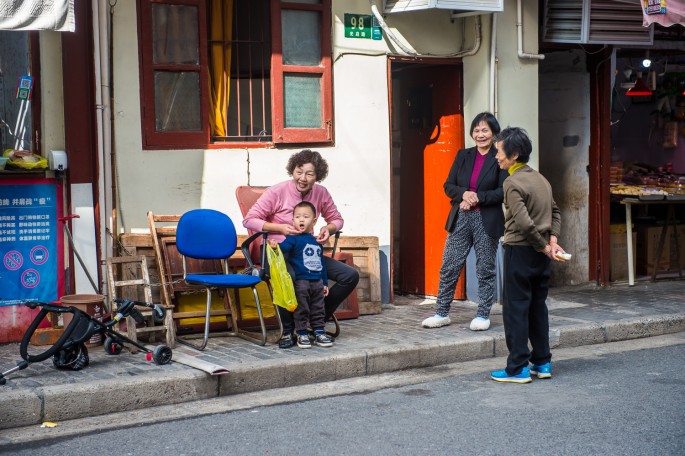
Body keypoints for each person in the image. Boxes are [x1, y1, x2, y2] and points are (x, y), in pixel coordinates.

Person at [243, 149, 359, 349]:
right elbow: (249, 219)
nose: (303, 178)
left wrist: (328, 228)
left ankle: (315, 320)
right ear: (292, 170)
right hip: (277, 250)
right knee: (288, 277)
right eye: (299, 172)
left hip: (307, 252)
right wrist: (279, 228)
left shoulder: (321, 193)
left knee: (350, 275)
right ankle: (289, 331)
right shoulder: (277, 191)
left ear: (318, 175)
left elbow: (337, 219)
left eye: (309, 174)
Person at [490, 127, 567, 384]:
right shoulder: (541, 179)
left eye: (499, 152)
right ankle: (542, 362)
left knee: (515, 309)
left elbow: (523, 224)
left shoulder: (512, 182)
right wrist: (551, 241)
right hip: (540, 255)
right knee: (537, 307)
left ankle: (517, 368)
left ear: (514, 155)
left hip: (520, 251)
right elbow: (555, 212)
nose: (496, 157)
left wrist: (544, 246)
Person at [421, 112, 508, 331]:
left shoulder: (499, 157)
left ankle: (483, 314)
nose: (481, 135)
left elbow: (503, 191)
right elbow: (449, 186)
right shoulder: (463, 155)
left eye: (485, 130)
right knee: (450, 264)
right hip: (461, 216)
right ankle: (441, 312)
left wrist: (477, 197)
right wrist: (465, 194)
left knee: (485, 267)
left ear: (494, 133)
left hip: (486, 219)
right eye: (477, 130)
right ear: (472, 133)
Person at [269, 201, 334, 349]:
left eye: (306, 216)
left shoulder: (317, 241)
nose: (301, 220)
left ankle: (319, 332)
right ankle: (301, 333)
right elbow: (283, 249)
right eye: (297, 217)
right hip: (301, 282)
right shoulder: (293, 239)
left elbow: (321, 264)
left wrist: (324, 282)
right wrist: (275, 247)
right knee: (302, 308)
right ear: (293, 221)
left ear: (314, 221)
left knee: (318, 308)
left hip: (317, 282)